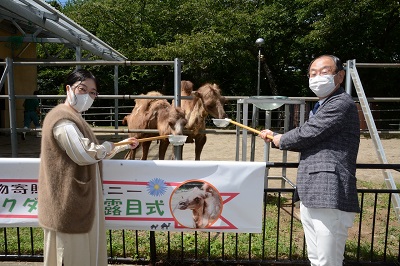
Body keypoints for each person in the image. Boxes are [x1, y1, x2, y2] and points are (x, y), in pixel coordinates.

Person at [260, 55, 360, 266]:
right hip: (312, 191)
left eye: (324, 72)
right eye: (313, 74)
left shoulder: (341, 103)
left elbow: (310, 132)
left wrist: (281, 138)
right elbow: (310, 138)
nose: (317, 77)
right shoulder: (321, 106)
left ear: (340, 76)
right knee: (316, 258)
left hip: (329, 191)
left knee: (328, 260)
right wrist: (275, 138)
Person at [38, 69, 139, 266]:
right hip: (68, 201)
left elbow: (93, 154)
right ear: (69, 89)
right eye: (82, 89)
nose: (87, 96)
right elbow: (84, 154)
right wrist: (110, 146)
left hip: (77, 199)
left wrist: (123, 144)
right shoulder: (63, 120)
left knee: (83, 251)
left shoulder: (74, 118)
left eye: (92, 92)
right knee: (71, 254)